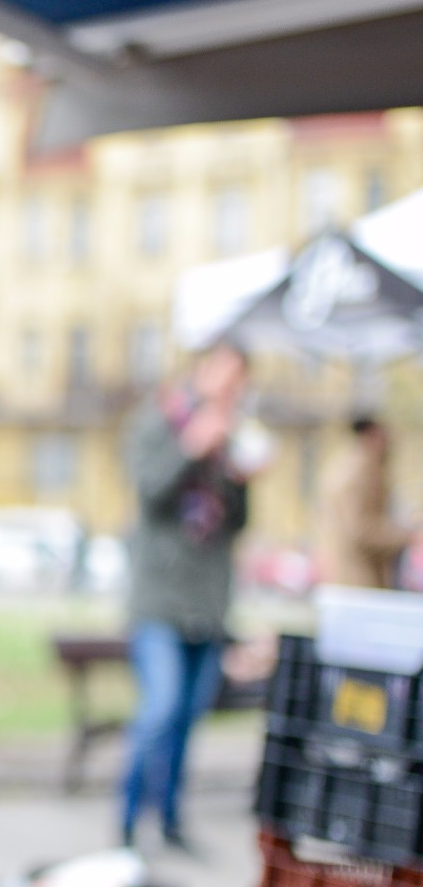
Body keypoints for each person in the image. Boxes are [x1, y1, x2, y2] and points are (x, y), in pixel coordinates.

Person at [120, 341, 257, 852]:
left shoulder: (230, 438)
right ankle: (128, 822)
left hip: (208, 601)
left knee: (186, 719)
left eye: (239, 381)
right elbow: (150, 491)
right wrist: (191, 449)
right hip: (158, 599)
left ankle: (172, 820)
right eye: (226, 376)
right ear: (202, 370)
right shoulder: (160, 421)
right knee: (160, 708)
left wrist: (240, 477)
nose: (232, 389)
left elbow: (237, 522)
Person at [317, 415, 415, 589]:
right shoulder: (358, 475)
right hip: (358, 579)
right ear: (371, 435)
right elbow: (360, 531)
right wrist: (406, 535)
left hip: (354, 578)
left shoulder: (352, 468)